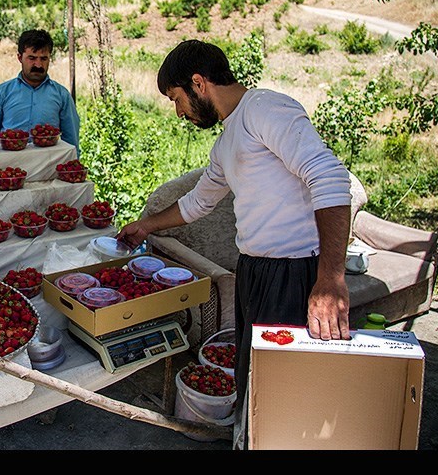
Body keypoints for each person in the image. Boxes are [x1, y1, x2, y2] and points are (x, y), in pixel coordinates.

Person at [116, 39, 353, 450]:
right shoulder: (228, 140)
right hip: (256, 271)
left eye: (177, 99)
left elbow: (329, 178)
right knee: (255, 381)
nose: (179, 112)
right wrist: (145, 225)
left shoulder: (265, 109)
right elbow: (197, 202)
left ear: (198, 83)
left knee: (285, 391)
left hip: (294, 272)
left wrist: (330, 280)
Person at [0, 29, 80, 155]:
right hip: (9, 169)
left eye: (43, 58)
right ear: (19, 57)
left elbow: (71, 142)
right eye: (32, 58)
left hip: (47, 169)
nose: (38, 65)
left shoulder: (61, 95)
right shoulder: (2, 93)